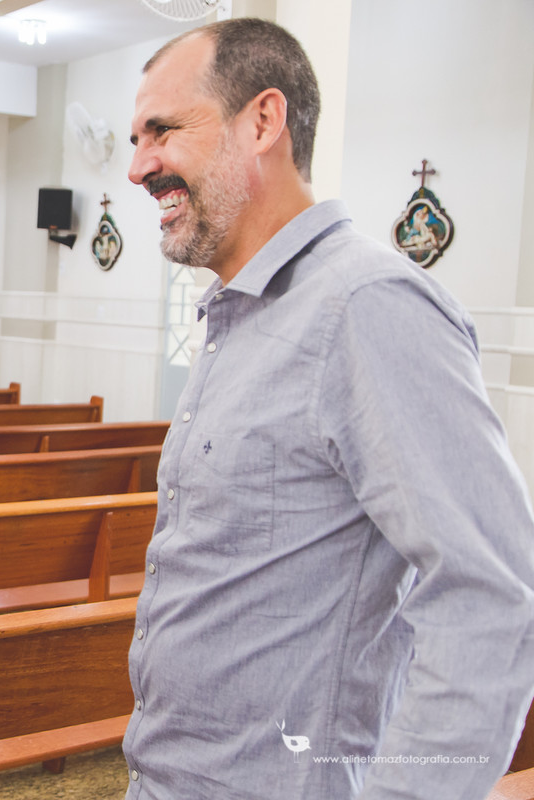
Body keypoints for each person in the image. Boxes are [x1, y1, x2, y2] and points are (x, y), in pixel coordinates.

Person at [123, 18, 534, 800]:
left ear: (263, 121)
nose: (140, 166)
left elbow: (493, 597)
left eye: (163, 131)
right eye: (136, 139)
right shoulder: (233, 317)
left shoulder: (365, 305)